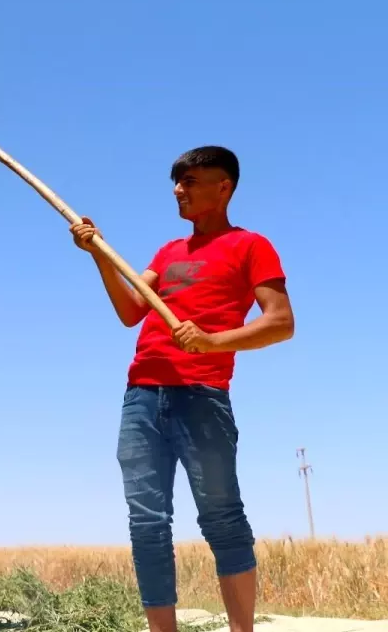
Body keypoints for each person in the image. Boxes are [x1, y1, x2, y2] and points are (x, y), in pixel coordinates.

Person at [70, 146, 294, 632]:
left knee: (222, 518)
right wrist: (99, 255)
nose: (179, 190)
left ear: (224, 186)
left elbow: (280, 323)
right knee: (147, 524)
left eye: (191, 181)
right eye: (177, 182)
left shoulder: (251, 246)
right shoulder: (168, 253)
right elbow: (132, 312)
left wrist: (212, 342)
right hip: (142, 397)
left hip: (202, 395)